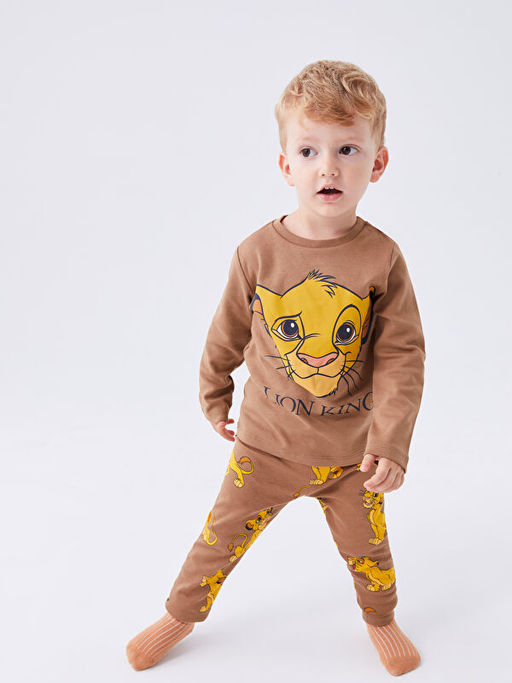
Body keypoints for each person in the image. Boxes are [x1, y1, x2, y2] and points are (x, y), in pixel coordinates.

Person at [126, 59, 426, 676]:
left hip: (352, 456)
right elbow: (227, 331)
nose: (328, 168)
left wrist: (392, 442)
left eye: (347, 150)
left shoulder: (382, 258)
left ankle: (381, 619)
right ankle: (180, 614)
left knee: (369, 551)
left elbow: (402, 354)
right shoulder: (257, 253)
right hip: (265, 447)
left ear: (377, 163)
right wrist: (213, 395)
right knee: (217, 541)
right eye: (309, 151)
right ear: (286, 165)